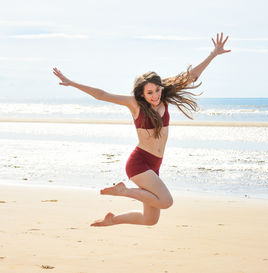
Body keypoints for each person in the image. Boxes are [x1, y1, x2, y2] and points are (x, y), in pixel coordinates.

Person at [53, 32, 230, 227]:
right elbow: (101, 94)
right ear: (142, 93)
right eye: (149, 92)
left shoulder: (164, 97)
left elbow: (191, 76)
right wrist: (71, 83)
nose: (155, 95)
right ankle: (124, 191)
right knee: (166, 201)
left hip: (155, 164)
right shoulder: (135, 104)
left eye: (157, 90)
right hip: (139, 163)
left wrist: (213, 54)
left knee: (150, 219)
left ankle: (112, 220)